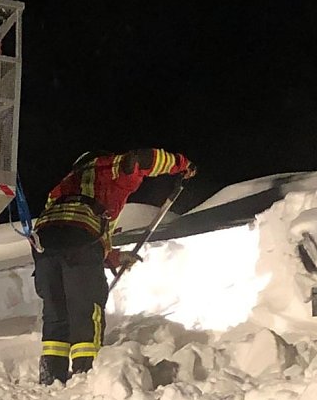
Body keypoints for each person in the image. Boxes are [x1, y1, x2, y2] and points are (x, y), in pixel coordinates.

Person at [32, 148, 196, 385]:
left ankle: (51, 374)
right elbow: (141, 159)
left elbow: (75, 232)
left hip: (45, 242)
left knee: (57, 308)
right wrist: (182, 164)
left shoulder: (62, 187)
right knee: (87, 307)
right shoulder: (108, 168)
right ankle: (86, 374)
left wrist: (114, 258)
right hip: (80, 237)